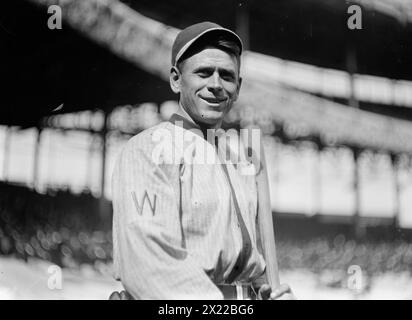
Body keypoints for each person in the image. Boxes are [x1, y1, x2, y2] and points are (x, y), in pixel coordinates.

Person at [109, 22, 295, 300]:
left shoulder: (242, 161)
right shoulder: (147, 151)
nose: (216, 85)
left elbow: (253, 266)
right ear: (176, 79)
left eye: (227, 76)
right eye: (204, 73)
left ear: (238, 87)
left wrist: (267, 293)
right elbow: (148, 262)